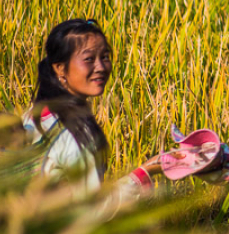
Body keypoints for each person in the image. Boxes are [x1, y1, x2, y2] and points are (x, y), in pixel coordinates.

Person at [24, 19, 162, 205]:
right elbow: (93, 208)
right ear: (60, 68)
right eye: (89, 59)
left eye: (105, 57)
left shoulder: (35, 115)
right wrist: (144, 173)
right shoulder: (73, 133)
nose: (101, 67)